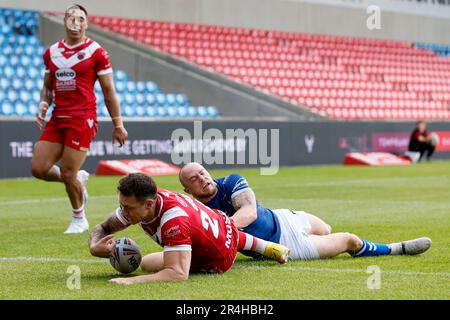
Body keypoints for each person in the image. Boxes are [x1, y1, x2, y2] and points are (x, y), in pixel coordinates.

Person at [178, 162, 432, 261]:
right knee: (348, 240)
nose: (202, 178)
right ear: (188, 190)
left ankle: (326, 241)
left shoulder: (231, 181)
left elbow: (250, 212)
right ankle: (397, 248)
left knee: (327, 229)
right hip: (283, 243)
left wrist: (221, 229)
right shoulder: (196, 208)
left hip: (282, 216)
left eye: (202, 172)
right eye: (194, 179)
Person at [30, 4, 128, 234]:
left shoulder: (97, 52)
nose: (76, 23)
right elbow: (47, 87)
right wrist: (44, 104)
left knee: (66, 172)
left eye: (81, 19)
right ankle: (78, 180)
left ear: (87, 23)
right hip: (58, 118)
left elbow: (108, 91)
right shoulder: (51, 52)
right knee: (38, 168)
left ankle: (79, 218)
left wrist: (118, 124)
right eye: (72, 18)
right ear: (65, 21)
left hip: (82, 118)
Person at [88, 173, 291, 284]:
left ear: (149, 204)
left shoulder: (173, 219)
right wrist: (94, 247)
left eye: (128, 208)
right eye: (122, 206)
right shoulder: (146, 197)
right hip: (221, 222)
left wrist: (131, 282)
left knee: (148, 263)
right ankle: (268, 247)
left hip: (220, 256)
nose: (124, 212)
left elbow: (177, 274)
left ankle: (266, 247)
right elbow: (103, 227)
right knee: (218, 231)